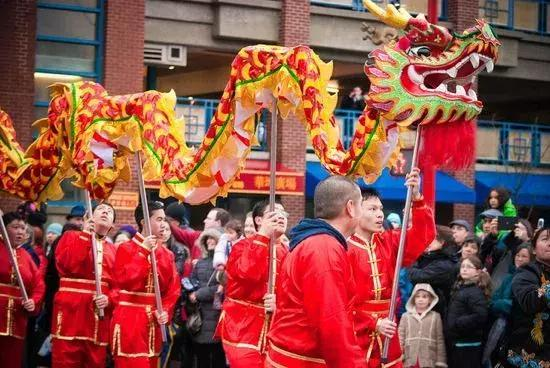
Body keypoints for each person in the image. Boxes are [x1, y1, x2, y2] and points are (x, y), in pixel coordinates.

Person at [267, 176, 366, 368]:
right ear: (351, 207)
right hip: (303, 360)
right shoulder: (324, 247)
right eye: (362, 205)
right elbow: (331, 321)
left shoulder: (313, 241)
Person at [347, 168, 436, 368]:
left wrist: (416, 197)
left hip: (388, 332)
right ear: (354, 210)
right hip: (355, 334)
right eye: (372, 209)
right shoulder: (343, 248)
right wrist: (372, 323)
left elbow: (423, 234)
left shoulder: (389, 241)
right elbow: (339, 301)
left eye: (381, 209)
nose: (380, 215)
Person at [217, 201, 289, 367]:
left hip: (274, 327)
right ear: (258, 220)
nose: (281, 217)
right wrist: (263, 235)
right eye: (274, 213)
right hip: (242, 327)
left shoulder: (287, 251)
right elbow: (247, 273)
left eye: (283, 213)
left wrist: (279, 303)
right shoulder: (241, 246)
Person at [110, 201, 180, 368]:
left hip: (152, 321)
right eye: (159, 219)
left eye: (164, 220)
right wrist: (143, 252)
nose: (163, 224)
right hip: (130, 318)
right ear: (144, 222)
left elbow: (172, 289)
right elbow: (128, 281)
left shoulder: (166, 254)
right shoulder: (125, 249)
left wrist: (165, 310)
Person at [50, 202, 118, 367]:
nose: (105, 212)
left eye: (109, 212)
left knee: (95, 361)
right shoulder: (70, 237)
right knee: (64, 361)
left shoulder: (114, 250)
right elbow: (69, 264)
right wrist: (86, 234)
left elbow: (119, 286)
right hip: (70, 312)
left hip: (97, 315)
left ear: (112, 225)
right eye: (100, 209)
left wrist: (109, 299)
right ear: (90, 216)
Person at [0, 212, 45, 367]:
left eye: (22, 228)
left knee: (11, 360)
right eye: (15, 227)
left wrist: (33, 301)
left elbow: (39, 285)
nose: (20, 232)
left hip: (17, 318)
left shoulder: (26, 256)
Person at [482, 243, 533, 367]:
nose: (519, 259)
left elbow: (520, 307)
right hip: (499, 325)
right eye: (517, 255)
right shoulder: (508, 278)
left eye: (524, 256)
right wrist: (501, 304)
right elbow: (493, 301)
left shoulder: (532, 280)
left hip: (517, 331)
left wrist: (501, 303)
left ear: (531, 259)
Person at [506, 227, 550, 366]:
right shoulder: (527, 272)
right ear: (534, 249)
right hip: (529, 355)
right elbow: (530, 302)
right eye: (545, 239)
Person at [188, 228, 226, 368]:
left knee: (217, 356)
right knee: (202, 356)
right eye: (207, 239)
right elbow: (192, 281)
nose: (209, 241)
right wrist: (190, 290)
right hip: (201, 314)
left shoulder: (222, 264)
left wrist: (198, 294)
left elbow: (221, 287)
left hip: (216, 313)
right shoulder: (200, 263)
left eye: (212, 238)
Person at [446, 256, 490, 368]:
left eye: (469, 267)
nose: (464, 269)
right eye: (463, 266)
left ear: (478, 272)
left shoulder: (475, 292)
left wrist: (457, 323)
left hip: (468, 344)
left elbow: (481, 315)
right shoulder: (462, 288)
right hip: (458, 342)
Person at [408, 225, 459, 317]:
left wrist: (415, 258)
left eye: (431, 238)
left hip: (435, 313)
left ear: (442, 242)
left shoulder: (445, 264)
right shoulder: (430, 257)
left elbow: (417, 276)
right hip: (422, 310)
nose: (427, 241)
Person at [398, 283, 446, 368]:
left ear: (430, 299)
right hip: (410, 358)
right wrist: (399, 355)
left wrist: (440, 360)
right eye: (418, 296)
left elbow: (440, 340)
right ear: (413, 299)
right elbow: (400, 337)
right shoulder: (406, 316)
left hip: (428, 358)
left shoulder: (436, 316)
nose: (421, 299)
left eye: (424, 297)